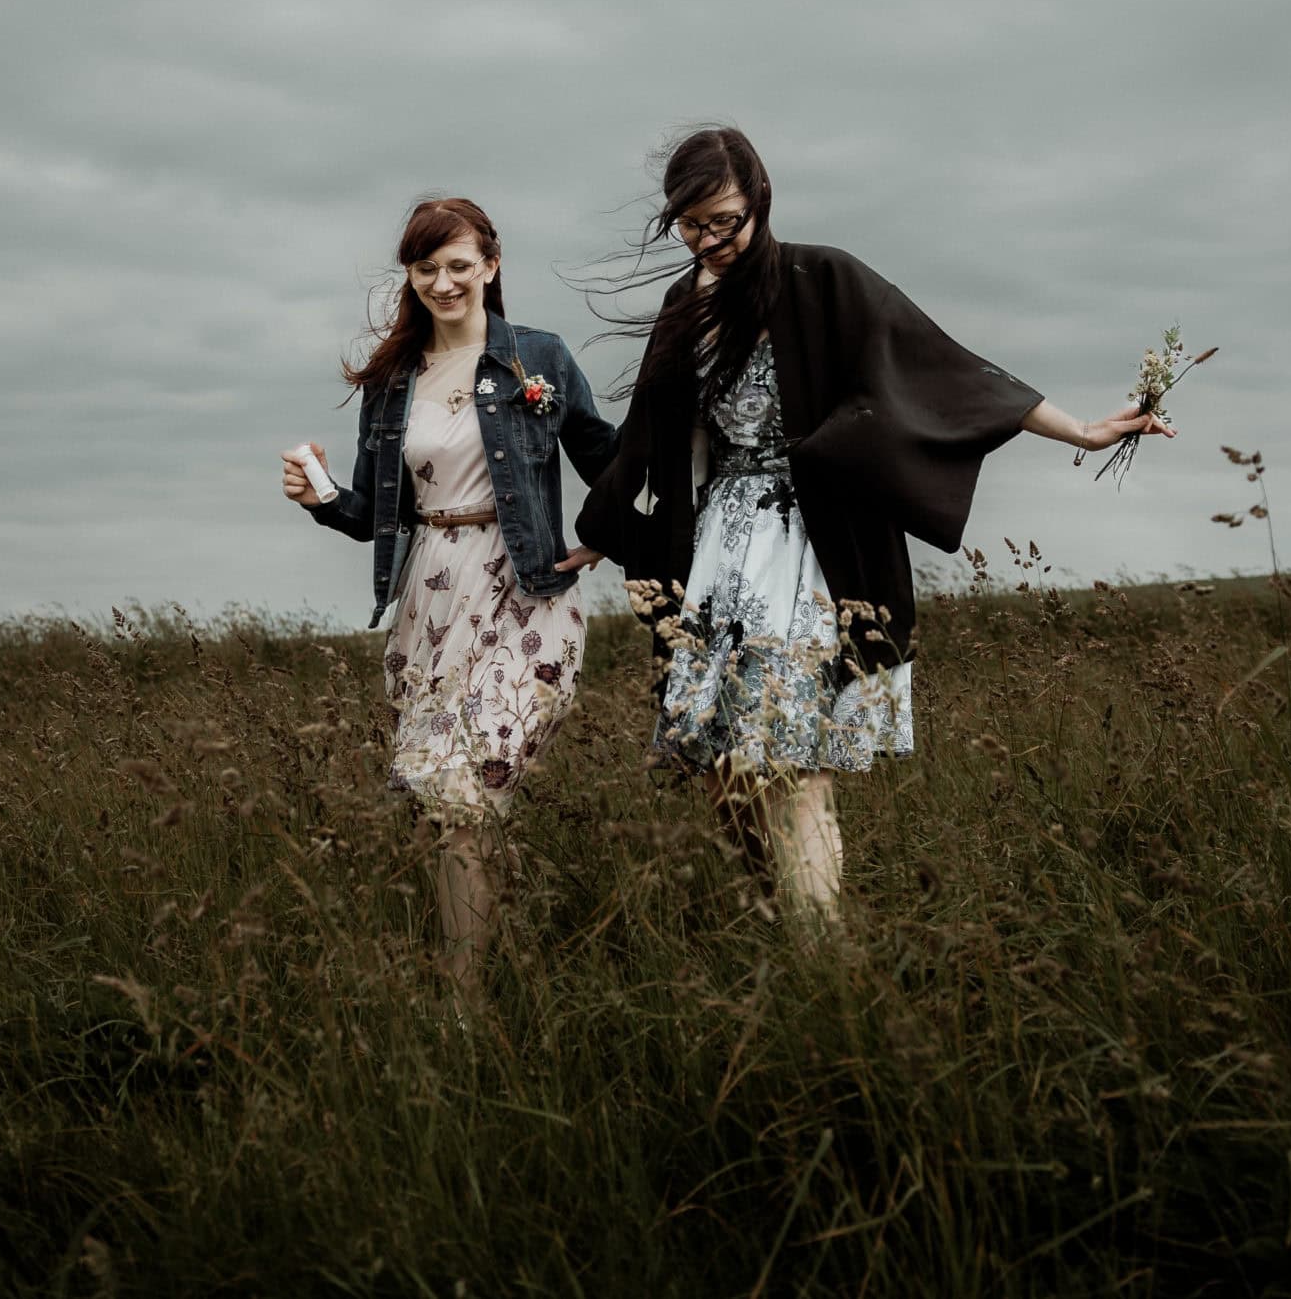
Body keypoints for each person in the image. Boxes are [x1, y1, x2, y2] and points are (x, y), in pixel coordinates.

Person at [569, 128, 1172, 931]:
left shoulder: (822, 278)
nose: (711, 241)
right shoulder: (685, 308)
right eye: (692, 226)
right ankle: (776, 925)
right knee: (723, 769)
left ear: (760, 202)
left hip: (816, 547)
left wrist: (1086, 432)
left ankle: (828, 972)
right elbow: (650, 432)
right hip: (720, 553)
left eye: (725, 220)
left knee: (796, 765)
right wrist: (604, 529)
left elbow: (942, 369)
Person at [282, 197, 617, 993]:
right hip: (430, 601)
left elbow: (608, 459)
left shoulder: (539, 358)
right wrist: (320, 496)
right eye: (427, 268)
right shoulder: (394, 383)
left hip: (528, 590)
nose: (444, 282)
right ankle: (476, 988)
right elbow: (372, 515)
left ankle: (464, 996)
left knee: (470, 795)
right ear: (411, 275)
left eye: (459, 265)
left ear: (490, 267)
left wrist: (609, 537)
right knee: (449, 809)